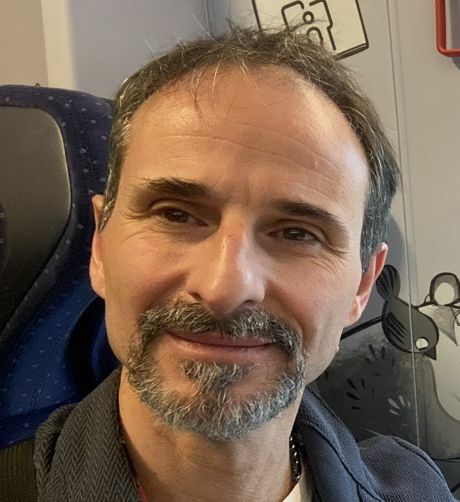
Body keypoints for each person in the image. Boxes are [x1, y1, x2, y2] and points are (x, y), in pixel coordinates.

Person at [8, 27, 456, 501]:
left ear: (363, 284)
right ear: (101, 245)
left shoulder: (416, 490)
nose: (225, 287)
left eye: (297, 234)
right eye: (175, 215)